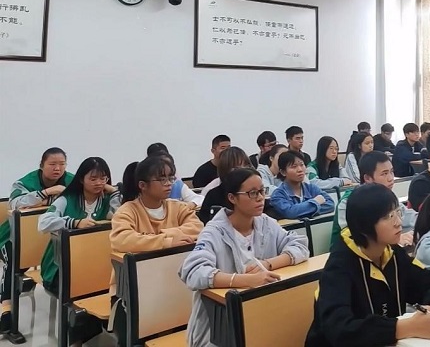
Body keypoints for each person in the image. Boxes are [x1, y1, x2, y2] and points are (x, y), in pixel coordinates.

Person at [305, 184, 430, 347]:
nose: (398, 222)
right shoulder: (339, 267)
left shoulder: (392, 253)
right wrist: (404, 328)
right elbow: (339, 330)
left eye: (397, 212)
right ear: (363, 226)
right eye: (388, 217)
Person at [179, 168, 309, 347]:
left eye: (262, 191)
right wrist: (244, 280)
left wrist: (267, 264)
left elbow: (300, 246)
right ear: (232, 198)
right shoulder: (214, 232)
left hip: (258, 318)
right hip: (218, 329)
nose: (260, 198)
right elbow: (193, 272)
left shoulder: (265, 223)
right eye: (252, 193)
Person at [110, 157, 203, 344]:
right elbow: (122, 239)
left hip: (173, 284)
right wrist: (166, 241)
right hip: (135, 289)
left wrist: (160, 236)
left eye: (171, 178)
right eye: (162, 179)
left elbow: (198, 228)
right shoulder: (127, 211)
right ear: (142, 185)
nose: (169, 184)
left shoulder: (177, 207)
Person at [0, 148, 72, 335]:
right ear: (41, 165)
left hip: (46, 236)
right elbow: (15, 203)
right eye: (52, 164)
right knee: (13, 257)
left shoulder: (71, 180)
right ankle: (5, 308)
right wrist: (47, 192)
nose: (58, 168)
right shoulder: (25, 182)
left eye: (62, 164)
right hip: (14, 234)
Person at [37, 158, 119, 291]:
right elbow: (43, 223)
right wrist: (74, 222)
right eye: (93, 179)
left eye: (103, 179)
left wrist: (115, 192)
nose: (99, 183)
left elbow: (119, 218)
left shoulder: (107, 201)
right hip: (61, 267)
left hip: (96, 263)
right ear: (81, 179)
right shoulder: (67, 199)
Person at [333, 151, 417, 248]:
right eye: (384, 174)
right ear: (367, 178)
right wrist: (397, 239)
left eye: (391, 172)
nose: (391, 178)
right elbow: (354, 239)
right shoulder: (349, 202)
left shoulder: (387, 197)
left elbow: (412, 218)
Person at [270, 151, 335, 219]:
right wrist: (315, 202)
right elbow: (290, 212)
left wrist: (302, 211)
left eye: (302, 165)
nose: (300, 170)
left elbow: (330, 204)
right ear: (283, 172)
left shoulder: (311, 188)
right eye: (294, 166)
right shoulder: (278, 194)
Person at [198, 147, 253, 224]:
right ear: (225, 170)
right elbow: (205, 223)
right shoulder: (213, 195)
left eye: (247, 166)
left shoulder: (255, 191)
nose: (244, 171)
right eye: (237, 168)